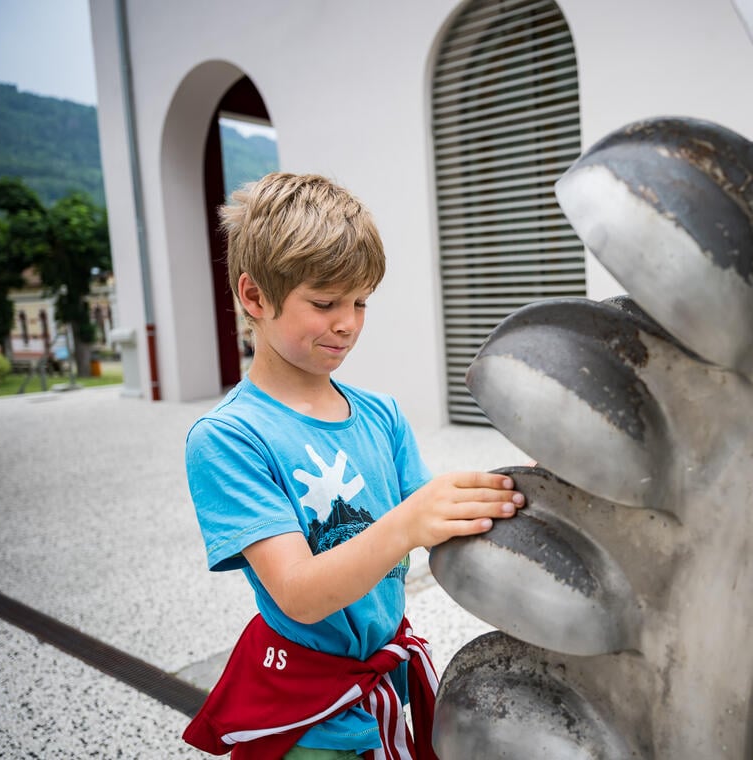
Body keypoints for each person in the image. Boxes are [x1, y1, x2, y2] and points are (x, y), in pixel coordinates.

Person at [182, 172, 525, 759]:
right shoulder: (230, 437)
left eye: (360, 301)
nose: (348, 323)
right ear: (255, 296)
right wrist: (408, 523)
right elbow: (299, 594)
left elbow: (438, 523)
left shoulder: (381, 414)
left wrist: (530, 488)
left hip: (384, 683)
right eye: (324, 303)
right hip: (304, 710)